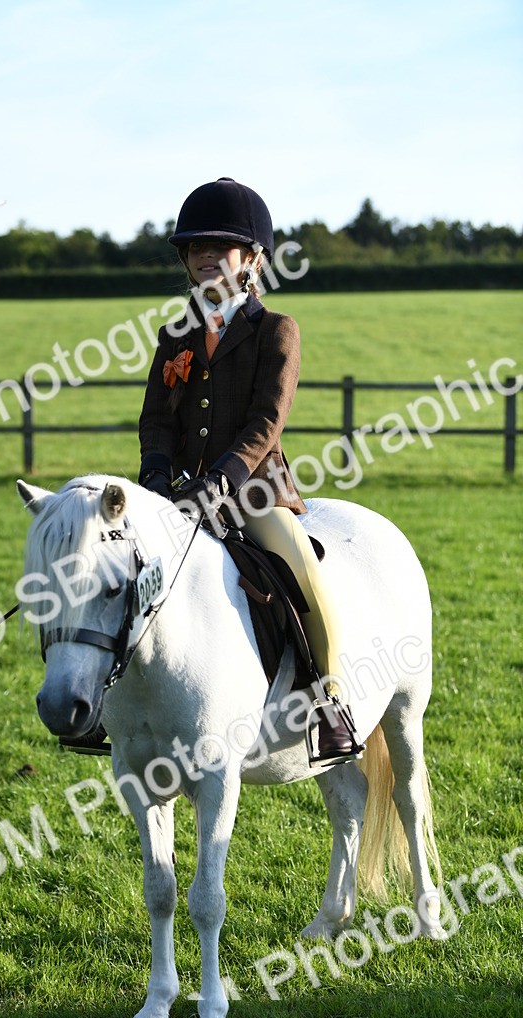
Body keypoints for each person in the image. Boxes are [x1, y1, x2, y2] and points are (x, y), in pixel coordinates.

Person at [138, 177, 362, 761]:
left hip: (255, 493)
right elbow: (157, 420)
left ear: (253, 258)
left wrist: (224, 481)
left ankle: (331, 698)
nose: (204, 257)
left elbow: (268, 421)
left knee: (299, 568)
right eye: (195, 248)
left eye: (218, 247)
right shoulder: (175, 336)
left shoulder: (276, 331)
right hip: (181, 494)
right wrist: (157, 474)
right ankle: (113, 710)